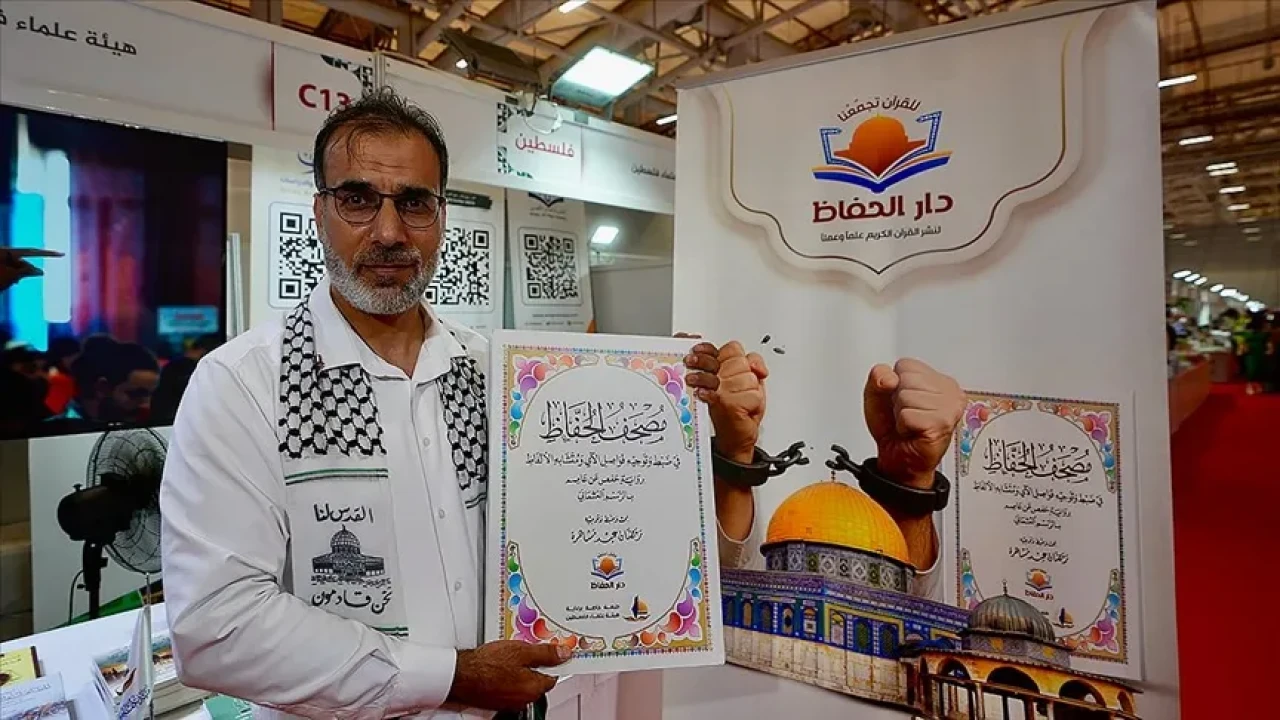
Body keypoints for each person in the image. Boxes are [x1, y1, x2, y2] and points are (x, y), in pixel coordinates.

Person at [160, 88, 766, 720]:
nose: (389, 232)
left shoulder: (504, 376)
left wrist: (701, 431)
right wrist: (454, 676)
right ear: (319, 211)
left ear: (441, 215)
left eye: (414, 203)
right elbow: (216, 628)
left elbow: (653, 545)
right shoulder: (244, 386)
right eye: (358, 199)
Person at [54, 337, 160, 423]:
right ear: (103, 387)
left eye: (152, 395)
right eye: (136, 394)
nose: (146, 405)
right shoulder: (55, 433)